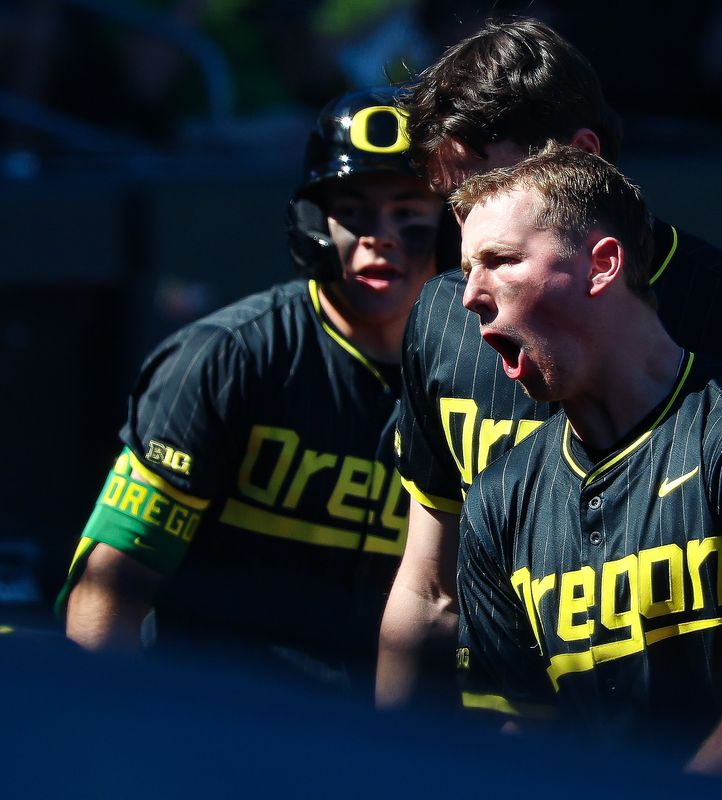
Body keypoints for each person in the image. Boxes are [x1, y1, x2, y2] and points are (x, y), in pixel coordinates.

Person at [376, 16, 722, 715]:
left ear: (582, 159)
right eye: (453, 202)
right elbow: (428, 589)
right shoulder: (444, 319)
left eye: (486, 188)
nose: (465, 233)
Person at [453, 144, 722, 774]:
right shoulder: (499, 497)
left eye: (500, 262)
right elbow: (507, 728)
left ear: (603, 265)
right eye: (466, 269)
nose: (469, 297)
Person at [57, 87, 443, 696]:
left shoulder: (478, 380)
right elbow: (110, 591)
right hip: (212, 730)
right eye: (354, 213)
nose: (382, 238)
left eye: (410, 214)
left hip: (379, 753)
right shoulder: (222, 357)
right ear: (311, 226)